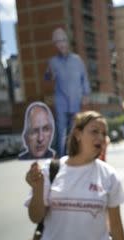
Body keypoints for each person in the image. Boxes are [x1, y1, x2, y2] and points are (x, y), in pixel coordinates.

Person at [25, 111, 124, 240]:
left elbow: (115, 224)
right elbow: (36, 217)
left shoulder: (109, 175)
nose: (100, 137)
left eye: (103, 132)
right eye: (94, 131)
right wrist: (38, 187)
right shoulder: (51, 169)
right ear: (78, 134)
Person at [45, 27, 91, 158]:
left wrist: (86, 94)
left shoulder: (77, 60)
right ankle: (60, 159)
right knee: (61, 130)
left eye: (63, 40)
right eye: (58, 41)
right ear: (55, 45)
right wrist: (49, 74)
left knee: (74, 130)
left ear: (67, 42)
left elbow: (84, 78)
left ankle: (73, 156)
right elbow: (47, 78)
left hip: (75, 100)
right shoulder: (52, 62)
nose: (61, 44)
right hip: (61, 100)